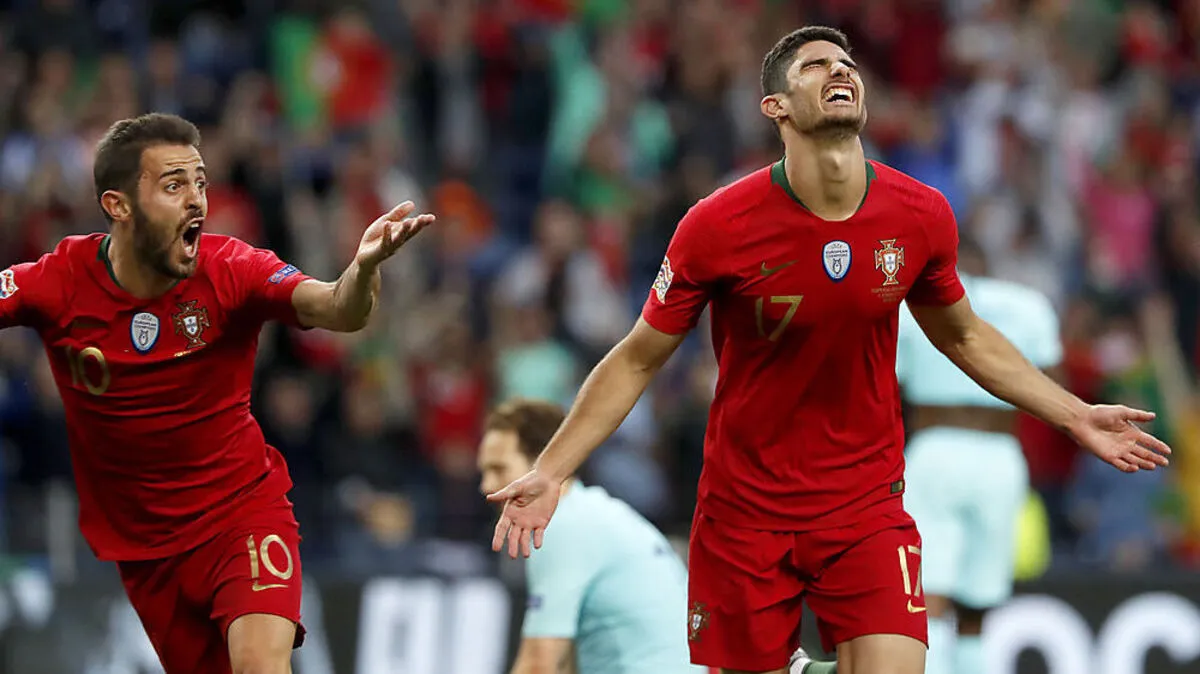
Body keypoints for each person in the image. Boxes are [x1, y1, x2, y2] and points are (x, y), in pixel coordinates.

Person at [485, 25, 1171, 674]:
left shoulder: (919, 214)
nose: (839, 70)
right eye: (815, 66)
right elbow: (638, 357)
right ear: (776, 107)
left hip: (863, 503)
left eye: (845, 64)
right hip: (744, 510)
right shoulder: (717, 225)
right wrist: (552, 470)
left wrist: (1073, 414)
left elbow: (962, 334)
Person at [0, 113, 434, 674]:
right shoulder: (60, 279)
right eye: (174, 185)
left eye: (200, 183)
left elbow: (336, 308)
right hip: (149, 552)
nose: (197, 201)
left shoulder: (232, 269)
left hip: (242, 514)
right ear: (118, 205)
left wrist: (363, 268)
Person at [896, 242, 1062, 674]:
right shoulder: (1029, 306)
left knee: (928, 590)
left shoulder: (910, 308)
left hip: (935, 450)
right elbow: (1053, 380)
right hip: (1000, 455)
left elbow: (888, 384)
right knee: (979, 603)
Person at [477, 398, 707, 674]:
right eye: (484, 471)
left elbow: (538, 665)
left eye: (499, 469)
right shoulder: (593, 512)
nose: (486, 485)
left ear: (541, 463)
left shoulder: (562, 527)